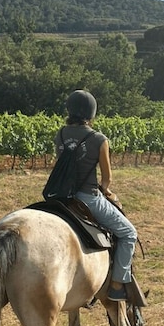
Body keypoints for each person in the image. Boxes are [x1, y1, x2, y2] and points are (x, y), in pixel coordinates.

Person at [54, 89, 137, 302]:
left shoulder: (60, 134)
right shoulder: (99, 139)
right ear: (91, 113)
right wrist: (107, 190)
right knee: (128, 233)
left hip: (60, 197)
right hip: (88, 198)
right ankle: (118, 283)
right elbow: (106, 179)